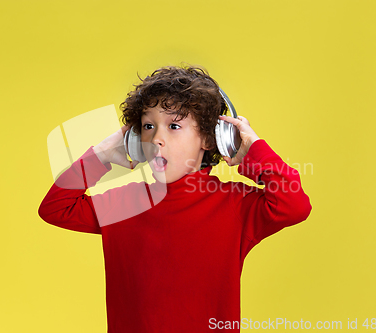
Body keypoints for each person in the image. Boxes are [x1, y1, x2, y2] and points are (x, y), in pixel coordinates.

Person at [38, 65, 312, 332]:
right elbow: (55, 207)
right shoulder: (123, 204)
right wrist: (102, 154)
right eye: (148, 126)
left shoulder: (232, 204)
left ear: (209, 137)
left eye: (174, 126)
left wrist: (254, 151)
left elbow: (293, 205)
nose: (156, 138)